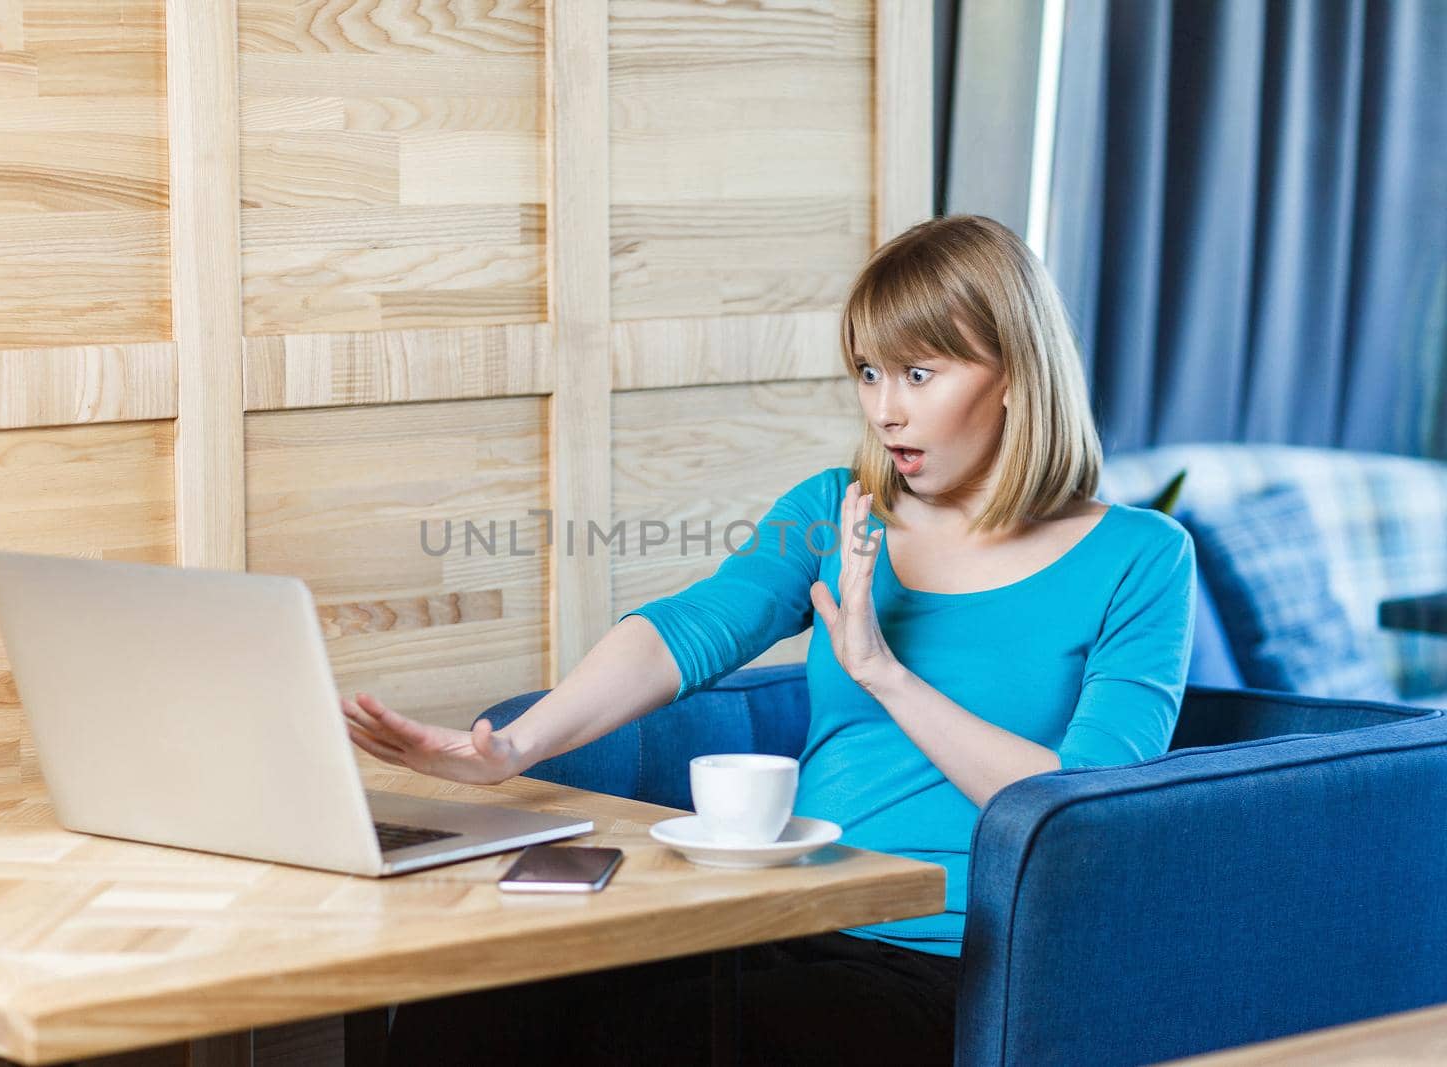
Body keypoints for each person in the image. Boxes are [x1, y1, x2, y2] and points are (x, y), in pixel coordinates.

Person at [342, 214, 1197, 1066]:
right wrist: (515, 749)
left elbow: (1087, 804)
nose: (886, 410)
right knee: (483, 996)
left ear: (1013, 372)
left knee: (656, 1037)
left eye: (918, 373)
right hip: (786, 911)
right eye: (868, 372)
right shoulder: (838, 506)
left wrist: (885, 673)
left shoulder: (1140, 556)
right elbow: (693, 627)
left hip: (957, 958)